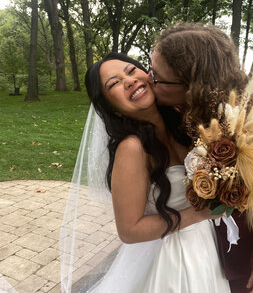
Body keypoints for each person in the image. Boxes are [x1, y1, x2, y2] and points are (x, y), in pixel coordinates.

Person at [148, 23, 253, 293]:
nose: (148, 79)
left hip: (238, 261)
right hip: (188, 253)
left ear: (191, 85)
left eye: (157, 77)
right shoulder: (172, 113)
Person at [60, 52, 231, 293]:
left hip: (206, 245)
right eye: (114, 83)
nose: (128, 81)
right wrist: (200, 214)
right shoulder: (132, 148)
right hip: (172, 258)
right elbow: (129, 230)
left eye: (131, 71)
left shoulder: (187, 124)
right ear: (114, 109)